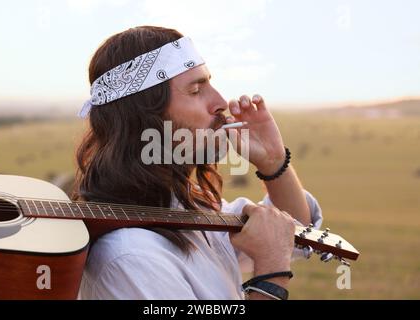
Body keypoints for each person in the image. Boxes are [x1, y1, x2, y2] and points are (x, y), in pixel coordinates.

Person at [74, 26, 322, 300]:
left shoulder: (187, 209)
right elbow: (277, 247)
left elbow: (295, 231)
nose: (220, 102)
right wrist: (272, 273)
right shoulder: (129, 257)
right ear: (145, 117)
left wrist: (273, 163)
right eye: (195, 90)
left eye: (209, 84)